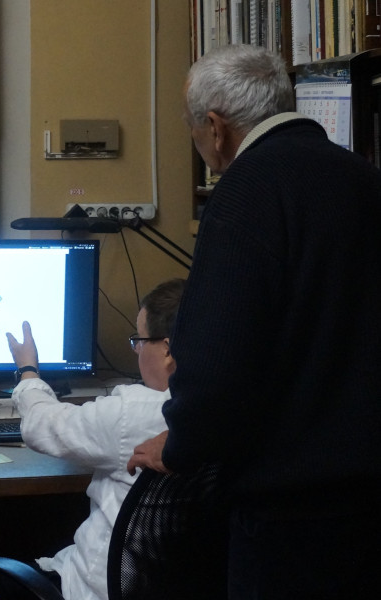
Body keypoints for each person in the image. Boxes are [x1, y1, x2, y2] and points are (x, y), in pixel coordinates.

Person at [127, 44, 381, 599]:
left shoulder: (244, 192)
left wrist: (180, 445)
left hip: (289, 513)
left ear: (216, 128)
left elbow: (217, 362)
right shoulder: (363, 177)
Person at [4, 278, 186, 600]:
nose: (136, 351)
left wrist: (28, 369)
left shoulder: (133, 413)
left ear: (168, 349)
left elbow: (43, 425)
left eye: (139, 340)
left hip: (92, 590)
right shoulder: (235, 413)